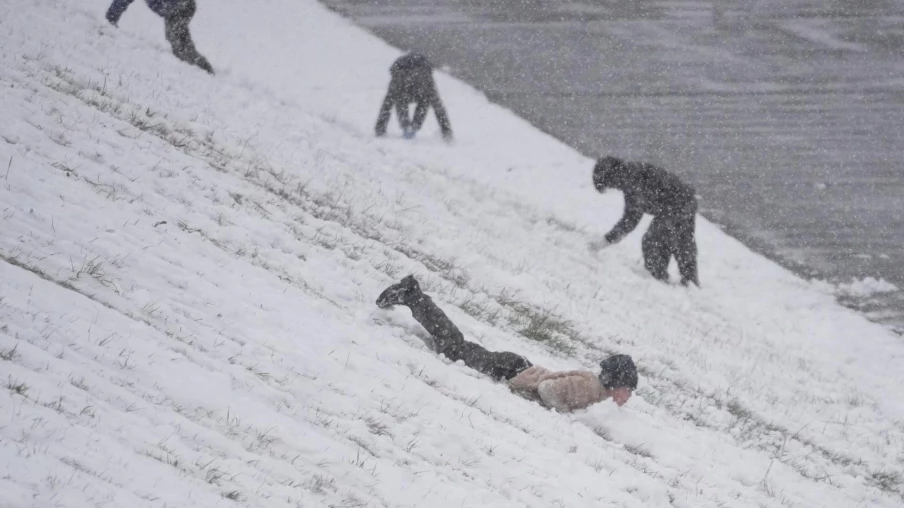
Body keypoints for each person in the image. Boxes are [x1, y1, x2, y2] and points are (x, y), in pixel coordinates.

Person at [376, 275, 637, 411]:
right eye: (628, 389)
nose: (628, 397)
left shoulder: (597, 394)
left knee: (457, 346)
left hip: (516, 366)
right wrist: (563, 412)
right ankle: (412, 295)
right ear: (615, 383)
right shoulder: (589, 387)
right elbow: (547, 389)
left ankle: (413, 296)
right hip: (511, 369)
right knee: (453, 347)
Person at [590, 156, 700, 287]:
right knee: (681, 243)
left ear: (612, 176)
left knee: (653, 240)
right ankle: (688, 282)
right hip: (684, 202)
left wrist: (605, 241)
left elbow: (630, 219)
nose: (615, 188)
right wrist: (608, 239)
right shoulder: (630, 176)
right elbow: (631, 217)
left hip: (678, 205)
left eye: (610, 184)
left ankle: (659, 279)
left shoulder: (632, 178)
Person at [105, 0, 215, 75]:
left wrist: (110, 19)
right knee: (176, 38)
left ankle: (202, 68)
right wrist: (110, 19)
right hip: (178, 8)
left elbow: (121, 2)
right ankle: (199, 66)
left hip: (180, 5)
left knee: (178, 42)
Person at [374, 54, 453, 141]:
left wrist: (380, 128)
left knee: (402, 99)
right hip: (409, 86)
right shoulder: (419, 80)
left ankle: (409, 127)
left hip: (410, 86)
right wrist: (447, 131)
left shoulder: (423, 80)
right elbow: (438, 107)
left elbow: (387, 104)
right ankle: (411, 127)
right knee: (412, 100)